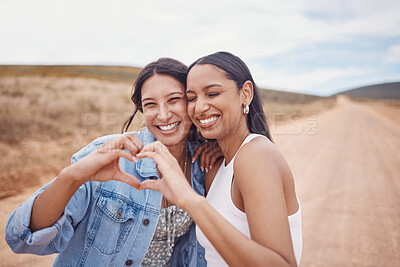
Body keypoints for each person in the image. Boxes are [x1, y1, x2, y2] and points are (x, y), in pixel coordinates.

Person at [5, 58, 222, 267]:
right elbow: (21, 237)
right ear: (142, 110)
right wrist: (72, 177)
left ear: (191, 101)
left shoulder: (202, 164)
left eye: (174, 100)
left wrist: (219, 147)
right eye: (150, 104)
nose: (163, 115)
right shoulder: (109, 153)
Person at [136, 52, 303, 266]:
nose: (200, 107)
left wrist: (189, 199)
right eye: (192, 98)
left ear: (245, 93)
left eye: (213, 94)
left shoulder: (256, 155)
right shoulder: (215, 164)